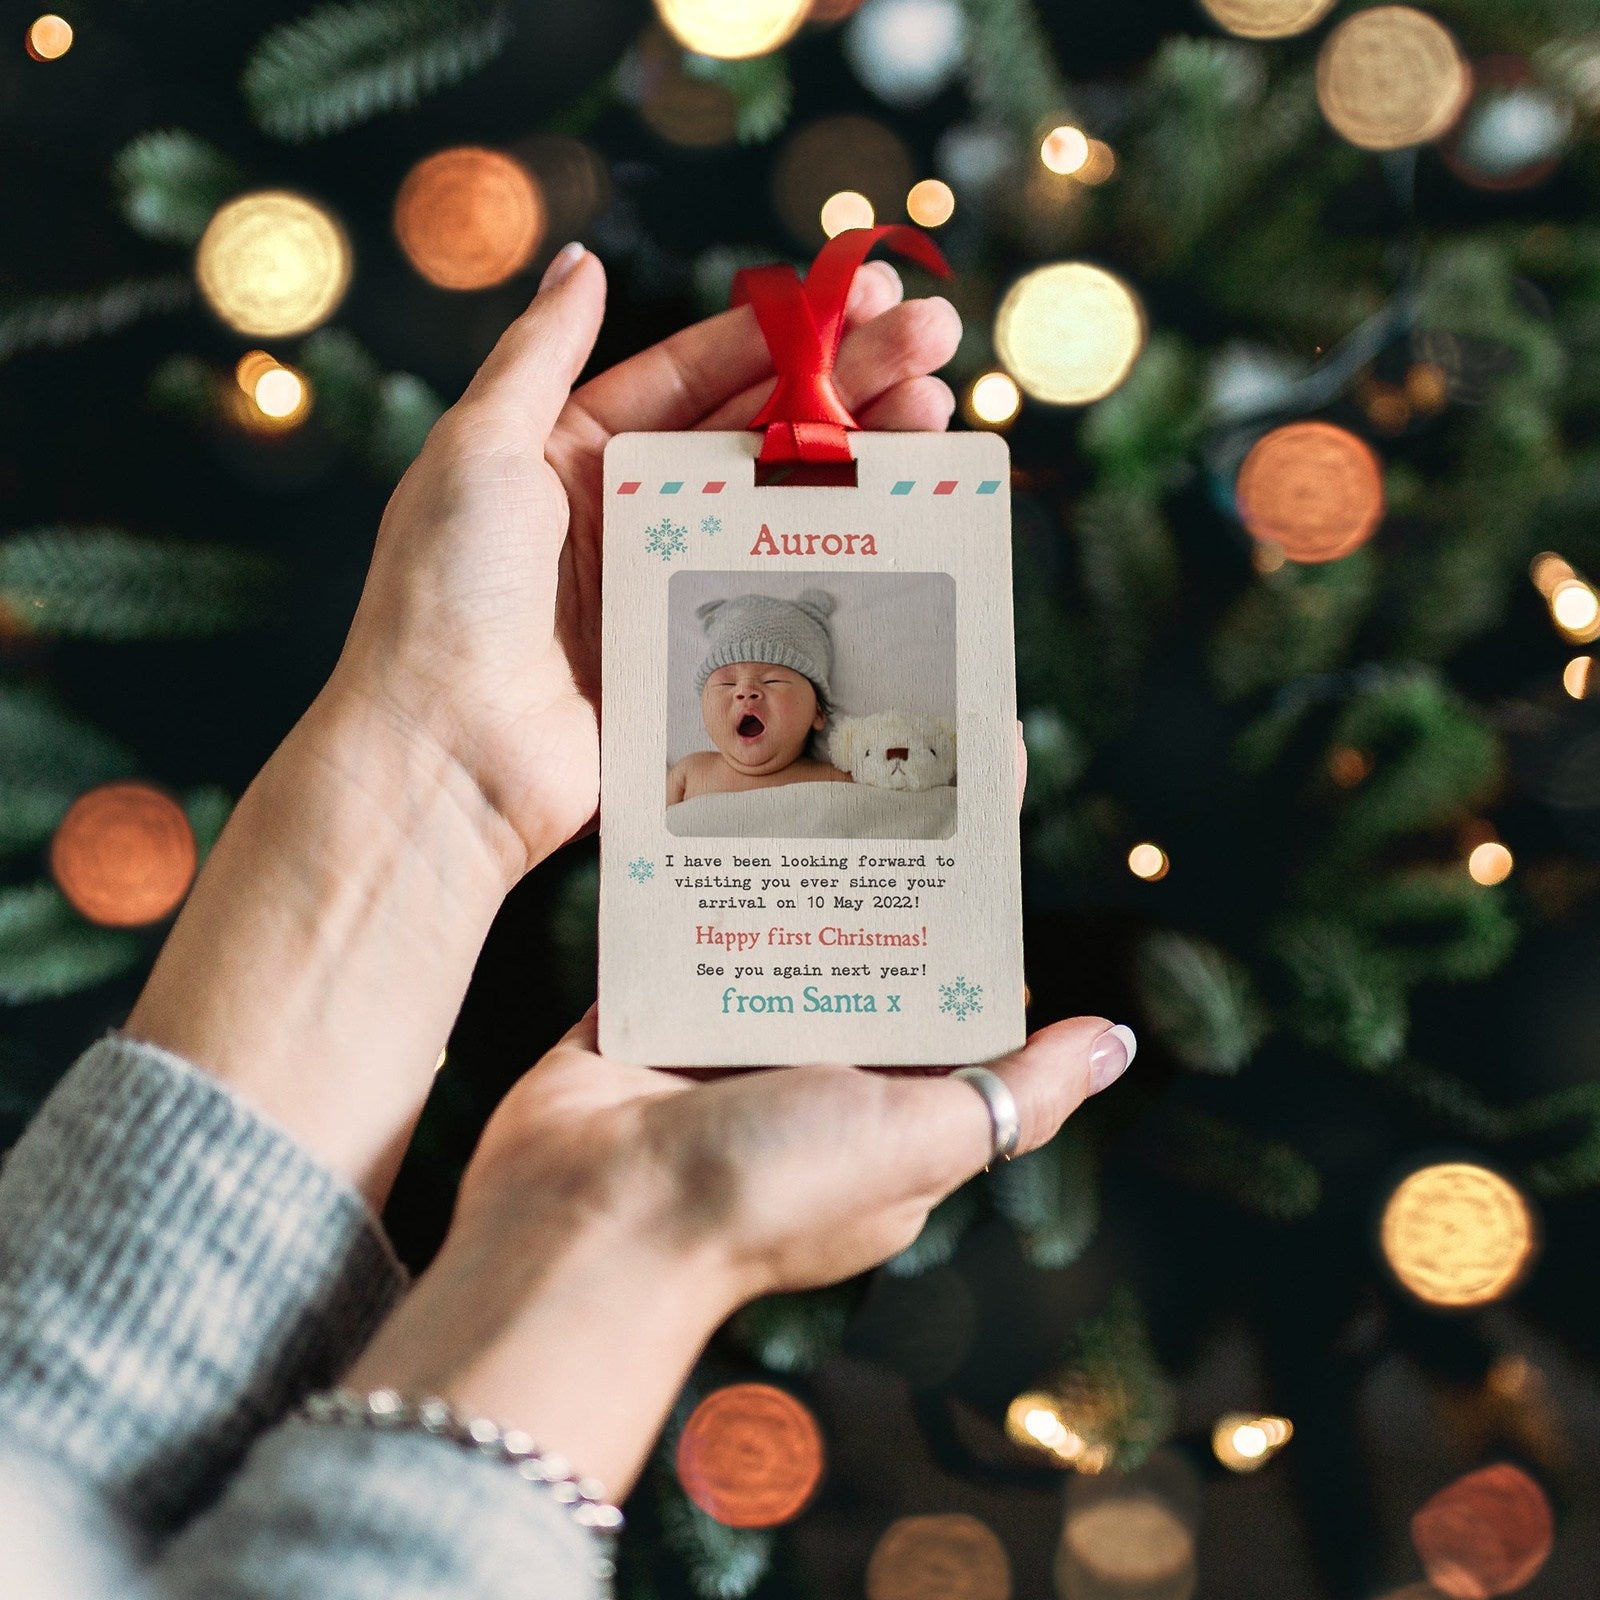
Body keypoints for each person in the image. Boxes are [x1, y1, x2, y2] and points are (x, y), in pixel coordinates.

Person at [0, 241, 1137, 1599]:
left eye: (777, 693)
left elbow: (47, 1461)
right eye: (725, 693)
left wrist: (435, 776)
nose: (744, 713)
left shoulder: (827, 771)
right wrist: (631, 1243)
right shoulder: (695, 773)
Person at [667, 589, 855, 804]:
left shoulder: (837, 781)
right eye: (726, 683)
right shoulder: (688, 774)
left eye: (772, 681)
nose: (745, 691)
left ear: (818, 712)